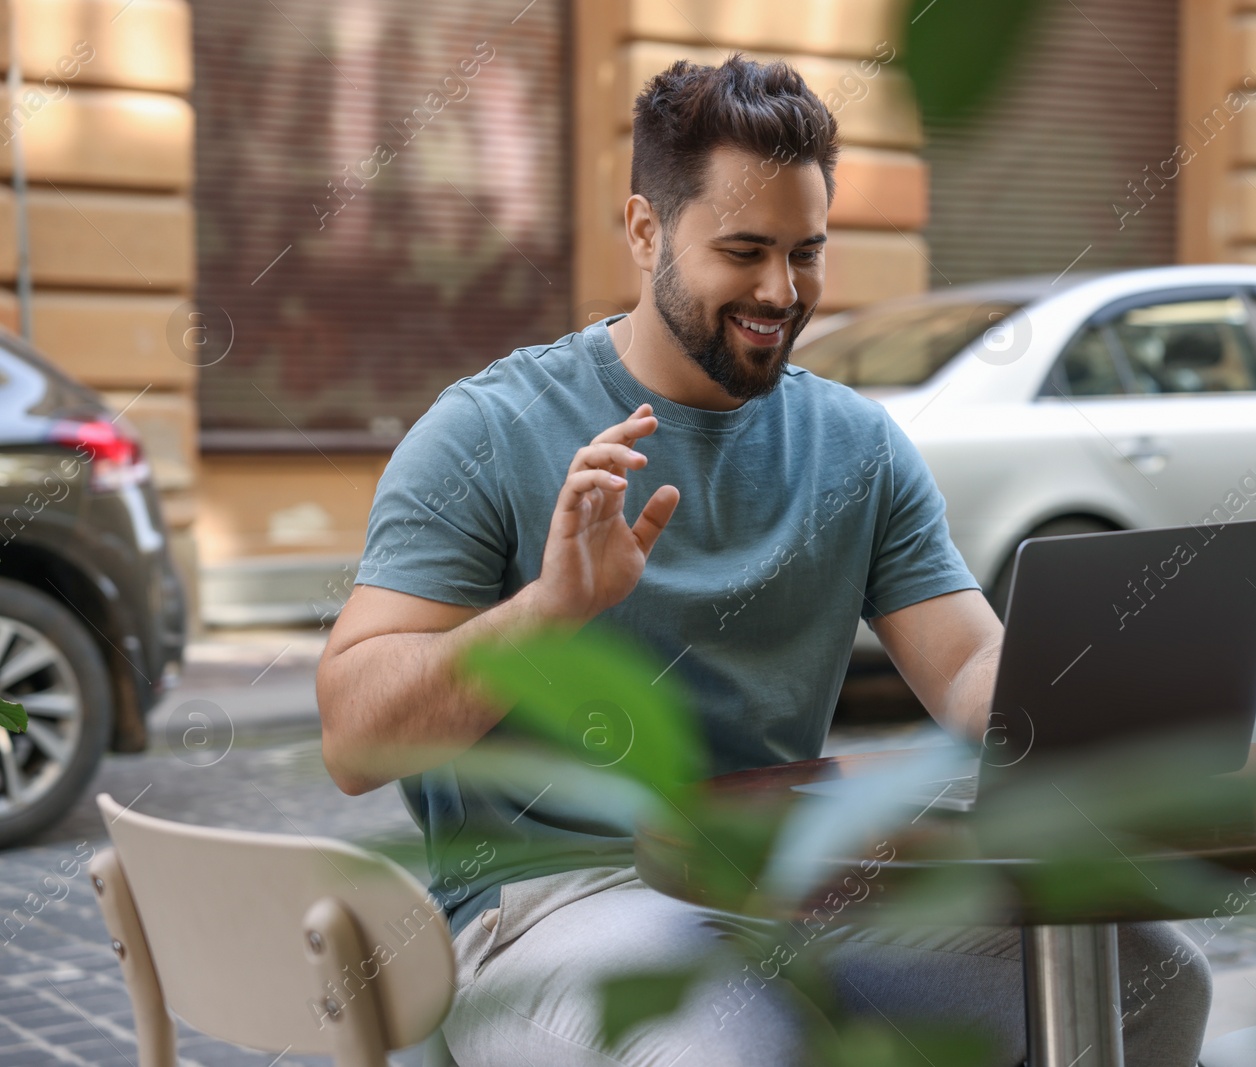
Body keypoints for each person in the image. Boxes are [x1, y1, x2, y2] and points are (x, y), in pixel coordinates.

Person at [316, 54, 1211, 1067]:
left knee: (1149, 980)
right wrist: (547, 610)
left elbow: (963, 663)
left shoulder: (856, 446)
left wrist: (1085, 690)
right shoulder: (484, 430)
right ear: (646, 229)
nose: (780, 292)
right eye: (744, 250)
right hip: (551, 899)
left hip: (795, 885)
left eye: (805, 253)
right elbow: (354, 741)